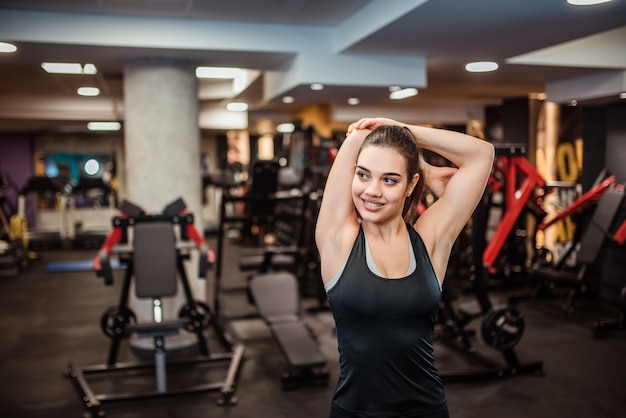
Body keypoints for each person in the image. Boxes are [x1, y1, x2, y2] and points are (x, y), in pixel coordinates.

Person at [315, 117, 494, 417]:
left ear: (411, 184)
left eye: (389, 179)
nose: (372, 191)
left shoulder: (429, 242)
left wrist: (402, 129)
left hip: (427, 410)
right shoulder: (338, 241)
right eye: (363, 175)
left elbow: (481, 155)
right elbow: (358, 136)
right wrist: (390, 139)